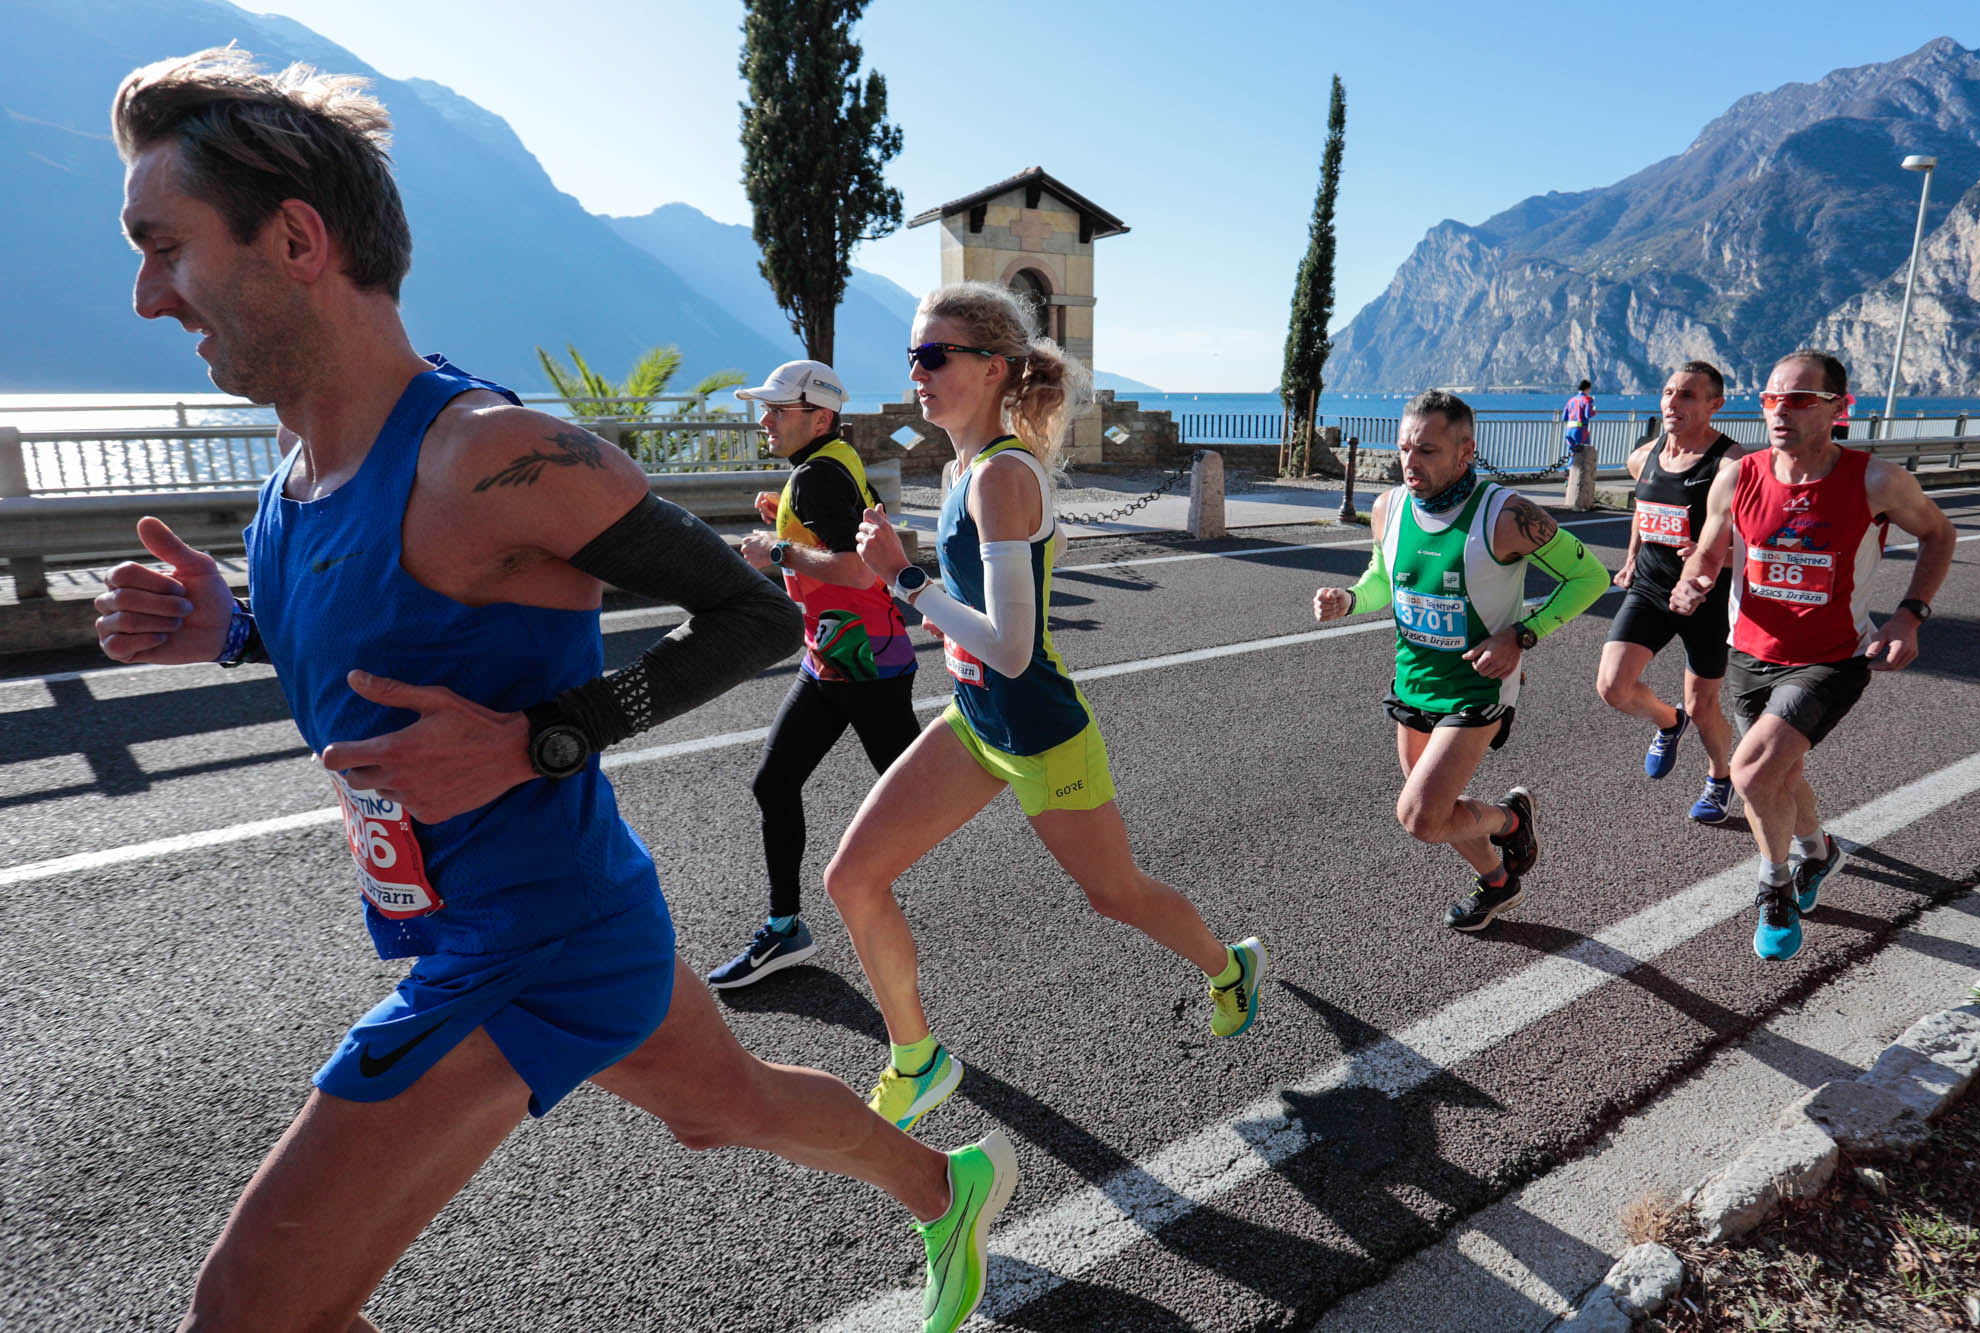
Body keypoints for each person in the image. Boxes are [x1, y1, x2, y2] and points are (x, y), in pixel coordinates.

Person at [94, 49, 1011, 1333]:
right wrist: (234, 627)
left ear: (296, 237)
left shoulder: (491, 454)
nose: (145, 295)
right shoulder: (292, 482)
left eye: (164, 247)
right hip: (548, 919)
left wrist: (549, 738)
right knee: (723, 1108)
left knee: (252, 1313)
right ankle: (946, 1182)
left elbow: (747, 615)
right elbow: (390, 655)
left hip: (529, 944)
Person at [823, 281, 1266, 1132]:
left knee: (1117, 894)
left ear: (992, 368)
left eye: (932, 356)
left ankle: (1228, 965)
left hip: (1042, 734)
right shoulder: (963, 469)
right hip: (976, 720)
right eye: (911, 355)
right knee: (852, 875)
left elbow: (1013, 647)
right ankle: (916, 1058)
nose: (916, 372)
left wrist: (903, 579)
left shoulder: (999, 479)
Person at [1670, 350, 1955, 961]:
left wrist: (1910, 613)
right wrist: (1694, 576)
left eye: (1799, 399)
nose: (1780, 411)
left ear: (1838, 408)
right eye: (1772, 399)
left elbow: (1939, 532)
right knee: (1781, 776)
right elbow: (1709, 549)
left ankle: (1774, 887)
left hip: (1831, 659)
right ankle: (1820, 852)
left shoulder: (1875, 480)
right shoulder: (1738, 475)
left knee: (1750, 774)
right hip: (1748, 653)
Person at [1313, 391, 1610, 932]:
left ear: (1465, 452)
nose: (1410, 461)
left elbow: (1591, 578)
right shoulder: (1389, 507)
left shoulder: (1507, 515)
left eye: (1426, 450)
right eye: (1404, 447)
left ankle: (1512, 819)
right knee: (1440, 812)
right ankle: (1499, 882)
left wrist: (1522, 634)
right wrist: (1351, 598)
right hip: (1414, 681)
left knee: (1420, 818)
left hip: (1478, 685)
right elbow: (1384, 579)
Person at [706, 359, 921, 988]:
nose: (765, 421)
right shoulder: (831, 467)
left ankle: (1055, 817)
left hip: (866, 667)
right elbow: (852, 528)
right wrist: (786, 514)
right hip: (837, 659)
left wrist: (773, 549)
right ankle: (784, 928)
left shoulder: (818, 477)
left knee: (923, 792)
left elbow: (856, 570)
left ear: (819, 417)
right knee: (774, 785)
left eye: (778, 410)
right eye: (765, 409)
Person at [1596, 362, 1745, 823]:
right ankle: (1667, 720)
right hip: (1651, 586)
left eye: (1687, 396)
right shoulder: (1643, 457)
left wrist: (1712, 556)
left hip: (1707, 599)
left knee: (1703, 705)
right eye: (1667, 392)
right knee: (1613, 687)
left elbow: (1760, 544)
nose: (1672, 403)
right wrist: (1630, 558)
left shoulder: (1732, 464)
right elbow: (1644, 511)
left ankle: (1720, 779)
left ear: (1714, 406)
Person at [1563, 379, 1596, 458]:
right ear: (1587, 389)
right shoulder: (1586, 400)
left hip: (1569, 430)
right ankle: (1582, 470)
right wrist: (1593, 411)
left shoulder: (1571, 400)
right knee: (1584, 452)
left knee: (1572, 453)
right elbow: (1587, 415)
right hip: (1580, 430)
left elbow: (1564, 417)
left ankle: (1569, 468)